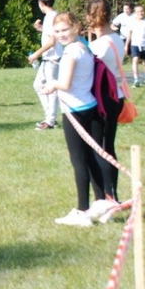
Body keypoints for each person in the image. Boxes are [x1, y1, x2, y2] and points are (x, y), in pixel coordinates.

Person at [39, 11, 106, 227]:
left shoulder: (70, 52)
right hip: (90, 107)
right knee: (92, 157)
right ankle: (102, 204)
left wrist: (51, 85)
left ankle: (82, 211)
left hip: (75, 111)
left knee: (79, 161)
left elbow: (65, 84)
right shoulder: (84, 45)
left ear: (76, 27)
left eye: (65, 30)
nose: (61, 34)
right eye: (57, 31)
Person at [85, 0, 125, 217]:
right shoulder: (117, 39)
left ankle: (106, 198)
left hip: (102, 99)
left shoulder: (99, 46)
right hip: (117, 97)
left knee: (98, 149)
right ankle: (113, 194)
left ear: (91, 17)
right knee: (108, 146)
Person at [28, 0, 64, 130]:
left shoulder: (50, 18)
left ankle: (50, 120)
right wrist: (41, 29)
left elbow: (52, 41)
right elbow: (54, 35)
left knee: (51, 88)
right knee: (38, 85)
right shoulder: (55, 15)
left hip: (52, 58)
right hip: (51, 57)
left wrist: (36, 54)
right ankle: (49, 116)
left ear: (41, 4)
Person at [124, 4, 145, 87]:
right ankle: (136, 80)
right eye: (138, 11)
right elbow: (129, 34)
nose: (140, 13)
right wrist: (126, 45)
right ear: (135, 13)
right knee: (135, 60)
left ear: (144, 12)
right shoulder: (132, 22)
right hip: (135, 44)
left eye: (142, 11)